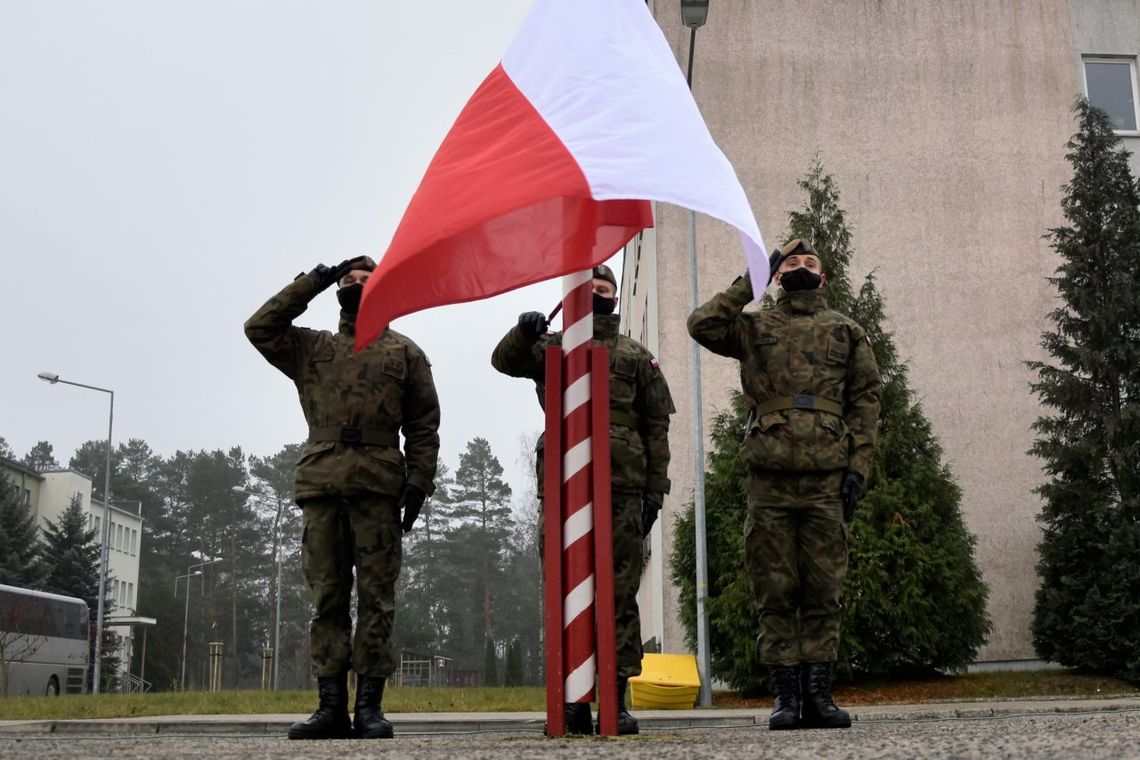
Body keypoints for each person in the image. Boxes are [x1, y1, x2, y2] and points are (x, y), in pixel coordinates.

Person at [687, 239, 880, 730]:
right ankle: (786, 698)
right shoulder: (753, 327)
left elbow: (866, 401)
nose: (798, 267)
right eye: (789, 263)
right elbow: (702, 325)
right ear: (775, 277)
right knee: (774, 590)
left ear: (824, 277)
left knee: (823, 589)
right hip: (769, 480)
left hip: (826, 477)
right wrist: (750, 280)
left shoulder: (846, 330)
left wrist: (858, 468)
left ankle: (818, 694)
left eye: (808, 262)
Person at [245, 256, 440, 740]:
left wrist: (419, 483)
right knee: (327, 599)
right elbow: (260, 326)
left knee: (377, 600)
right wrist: (313, 281)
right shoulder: (311, 347)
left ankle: (369, 708)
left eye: (364, 282)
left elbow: (423, 426)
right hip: (323, 488)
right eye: (347, 282)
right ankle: (330, 706)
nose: (354, 287)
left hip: (378, 490)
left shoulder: (404, 353)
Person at [491, 264, 674, 735]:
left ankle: (615, 695)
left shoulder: (638, 357)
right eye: (588, 289)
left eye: (605, 289)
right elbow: (504, 362)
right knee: (566, 587)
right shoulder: (555, 346)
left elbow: (656, 429)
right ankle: (572, 698)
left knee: (618, 590)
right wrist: (522, 331)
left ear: (615, 298)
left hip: (623, 486)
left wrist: (656, 491)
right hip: (564, 484)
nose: (597, 295)